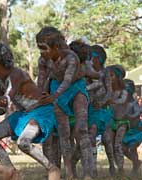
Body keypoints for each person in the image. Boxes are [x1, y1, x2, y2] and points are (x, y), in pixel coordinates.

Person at [0, 42, 60, 180]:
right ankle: (10, 173)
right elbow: (1, 109)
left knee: (23, 143)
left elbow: (5, 100)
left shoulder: (16, 74)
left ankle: (51, 167)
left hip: (40, 112)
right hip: (22, 114)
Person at [36, 26, 94, 179]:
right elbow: (41, 81)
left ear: (56, 47)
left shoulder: (71, 57)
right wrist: (39, 98)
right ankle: (69, 173)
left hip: (75, 89)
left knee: (81, 130)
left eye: (44, 48)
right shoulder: (43, 60)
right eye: (39, 48)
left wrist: (53, 96)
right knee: (64, 134)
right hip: (56, 92)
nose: (42, 52)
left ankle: (88, 173)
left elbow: (68, 80)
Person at [69, 42, 115, 176]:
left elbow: (109, 92)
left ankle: (104, 167)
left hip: (100, 111)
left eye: (93, 57)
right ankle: (75, 163)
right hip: (86, 109)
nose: (90, 60)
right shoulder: (85, 72)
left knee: (101, 137)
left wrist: (101, 102)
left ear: (99, 58)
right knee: (84, 141)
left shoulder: (105, 73)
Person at [107, 65, 128, 174]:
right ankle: (112, 166)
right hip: (111, 121)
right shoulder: (108, 90)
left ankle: (121, 168)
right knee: (109, 143)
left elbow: (123, 100)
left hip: (121, 122)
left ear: (118, 77)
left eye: (111, 76)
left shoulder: (123, 91)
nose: (109, 78)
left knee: (117, 145)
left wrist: (111, 101)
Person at [122, 79, 142, 175]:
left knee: (132, 148)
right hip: (129, 131)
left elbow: (137, 113)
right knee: (123, 149)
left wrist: (128, 116)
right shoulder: (121, 103)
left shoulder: (134, 103)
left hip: (138, 130)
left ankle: (135, 167)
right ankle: (136, 162)